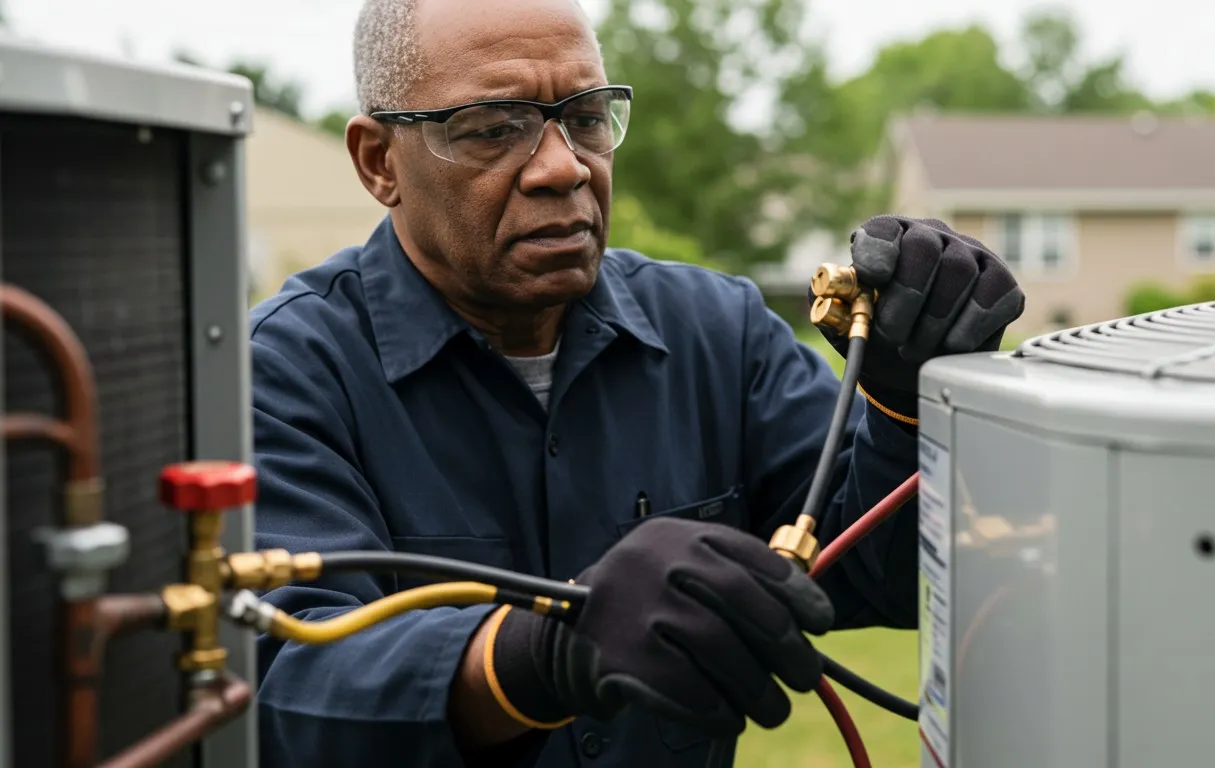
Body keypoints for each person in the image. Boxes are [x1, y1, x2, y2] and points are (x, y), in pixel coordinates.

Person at [247, 0, 1024, 765]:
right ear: (379, 162)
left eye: (585, 117)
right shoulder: (284, 373)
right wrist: (540, 654)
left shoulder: (718, 334)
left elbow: (872, 575)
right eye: (494, 128)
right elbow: (281, 690)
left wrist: (903, 405)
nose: (562, 166)